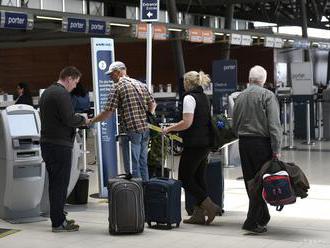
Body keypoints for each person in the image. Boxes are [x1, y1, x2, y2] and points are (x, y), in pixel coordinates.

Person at [162, 71, 220, 225]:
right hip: (205, 143)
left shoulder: (189, 98)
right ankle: (198, 214)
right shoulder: (204, 97)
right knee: (199, 178)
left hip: (194, 144)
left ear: (187, 83)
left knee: (185, 178)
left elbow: (187, 122)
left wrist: (169, 129)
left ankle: (210, 206)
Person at [232, 65, 282, 234]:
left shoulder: (240, 97)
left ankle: (262, 216)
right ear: (264, 80)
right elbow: (274, 125)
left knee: (250, 181)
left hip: (244, 143)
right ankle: (252, 221)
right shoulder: (267, 96)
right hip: (262, 144)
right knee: (261, 182)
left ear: (250, 78)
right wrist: (276, 148)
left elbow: (234, 123)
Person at [39, 66, 89, 232]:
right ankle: (58, 222)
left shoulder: (46, 92)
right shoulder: (61, 94)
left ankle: (58, 217)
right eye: (75, 82)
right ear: (68, 78)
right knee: (60, 184)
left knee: (55, 184)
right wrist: (83, 120)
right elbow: (68, 119)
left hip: (47, 143)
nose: (75, 86)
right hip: (59, 145)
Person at [90, 61, 156, 181]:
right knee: (143, 163)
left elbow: (107, 113)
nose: (110, 78)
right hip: (145, 129)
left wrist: (91, 121)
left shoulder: (118, 86)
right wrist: (148, 115)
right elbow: (152, 104)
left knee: (133, 164)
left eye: (111, 75)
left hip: (131, 131)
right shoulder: (140, 84)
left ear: (118, 72)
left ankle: (136, 195)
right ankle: (146, 192)